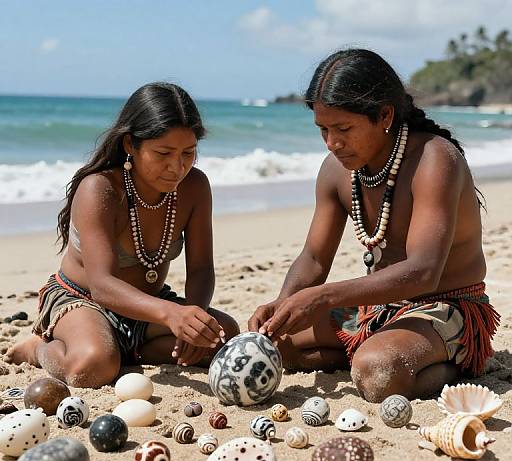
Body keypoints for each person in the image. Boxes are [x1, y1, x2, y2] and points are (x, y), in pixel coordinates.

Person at [248, 49, 500, 403]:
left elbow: (424, 272)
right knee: (282, 344)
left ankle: (461, 361)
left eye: (343, 129)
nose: (332, 143)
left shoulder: (434, 159)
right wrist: (282, 305)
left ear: (384, 115)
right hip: (379, 306)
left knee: (377, 374)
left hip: (446, 305)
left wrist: (322, 297)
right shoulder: (336, 171)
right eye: (323, 130)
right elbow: (314, 259)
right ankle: (382, 347)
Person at [6, 82, 239, 388]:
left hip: (147, 305)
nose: (177, 166)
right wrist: (172, 315)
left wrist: (193, 318)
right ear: (131, 145)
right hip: (84, 299)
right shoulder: (100, 189)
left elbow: (201, 268)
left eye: (188, 153)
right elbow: (102, 285)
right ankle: (37, 348)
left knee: (223, 335)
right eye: (163, 153)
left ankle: (127, 349)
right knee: (94, 366)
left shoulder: (194, 187)